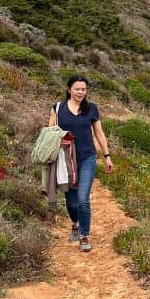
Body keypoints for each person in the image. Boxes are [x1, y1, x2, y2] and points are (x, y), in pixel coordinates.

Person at [48, 75, 114, 252]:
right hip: (66, 160)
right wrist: (57, 142)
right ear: (69, 89)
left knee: (83, 199)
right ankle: (75, 223)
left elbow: (99, 134)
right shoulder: (58, 108)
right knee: (71, 202)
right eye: (77, 89)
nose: (81, 92)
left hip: (87, 158)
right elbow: (50, 133)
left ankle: (84, 236)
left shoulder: (91, 109)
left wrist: (107, 155)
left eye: (84, 89)